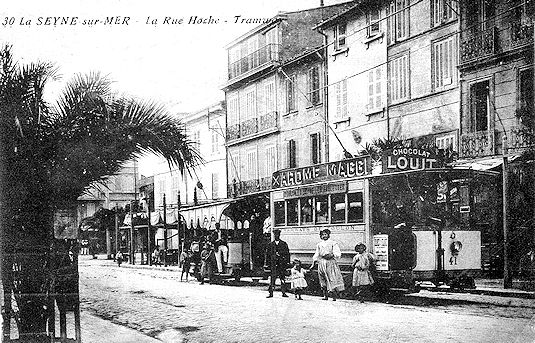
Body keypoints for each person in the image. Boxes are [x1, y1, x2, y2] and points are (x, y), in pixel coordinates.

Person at [309, 229, 345, 301]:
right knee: (322, 278)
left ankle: (334, 296)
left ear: (328, 235)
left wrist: (332, 255)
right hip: (322, 263)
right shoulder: (319, 245)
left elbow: (337, 253)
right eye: (322, 235)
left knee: (332, 278)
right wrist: (313, 263)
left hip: (330, 263)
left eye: (325, 234)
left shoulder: (333, 243)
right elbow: (317, 254)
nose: (324, 236)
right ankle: (325, 295)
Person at [264, 229, 290, 298]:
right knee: (272, 279)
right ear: (274, 235)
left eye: (278, 234)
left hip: (281, 265)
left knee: (282, 278)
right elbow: (267, 255)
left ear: (279, 235)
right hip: (273, 265)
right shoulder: (270, 245)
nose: (276, 236)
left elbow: (287, 254)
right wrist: (267, 264)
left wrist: (286, 263)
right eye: (275, 235)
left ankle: (284, 292)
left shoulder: (284, 244)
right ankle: (271, 293)